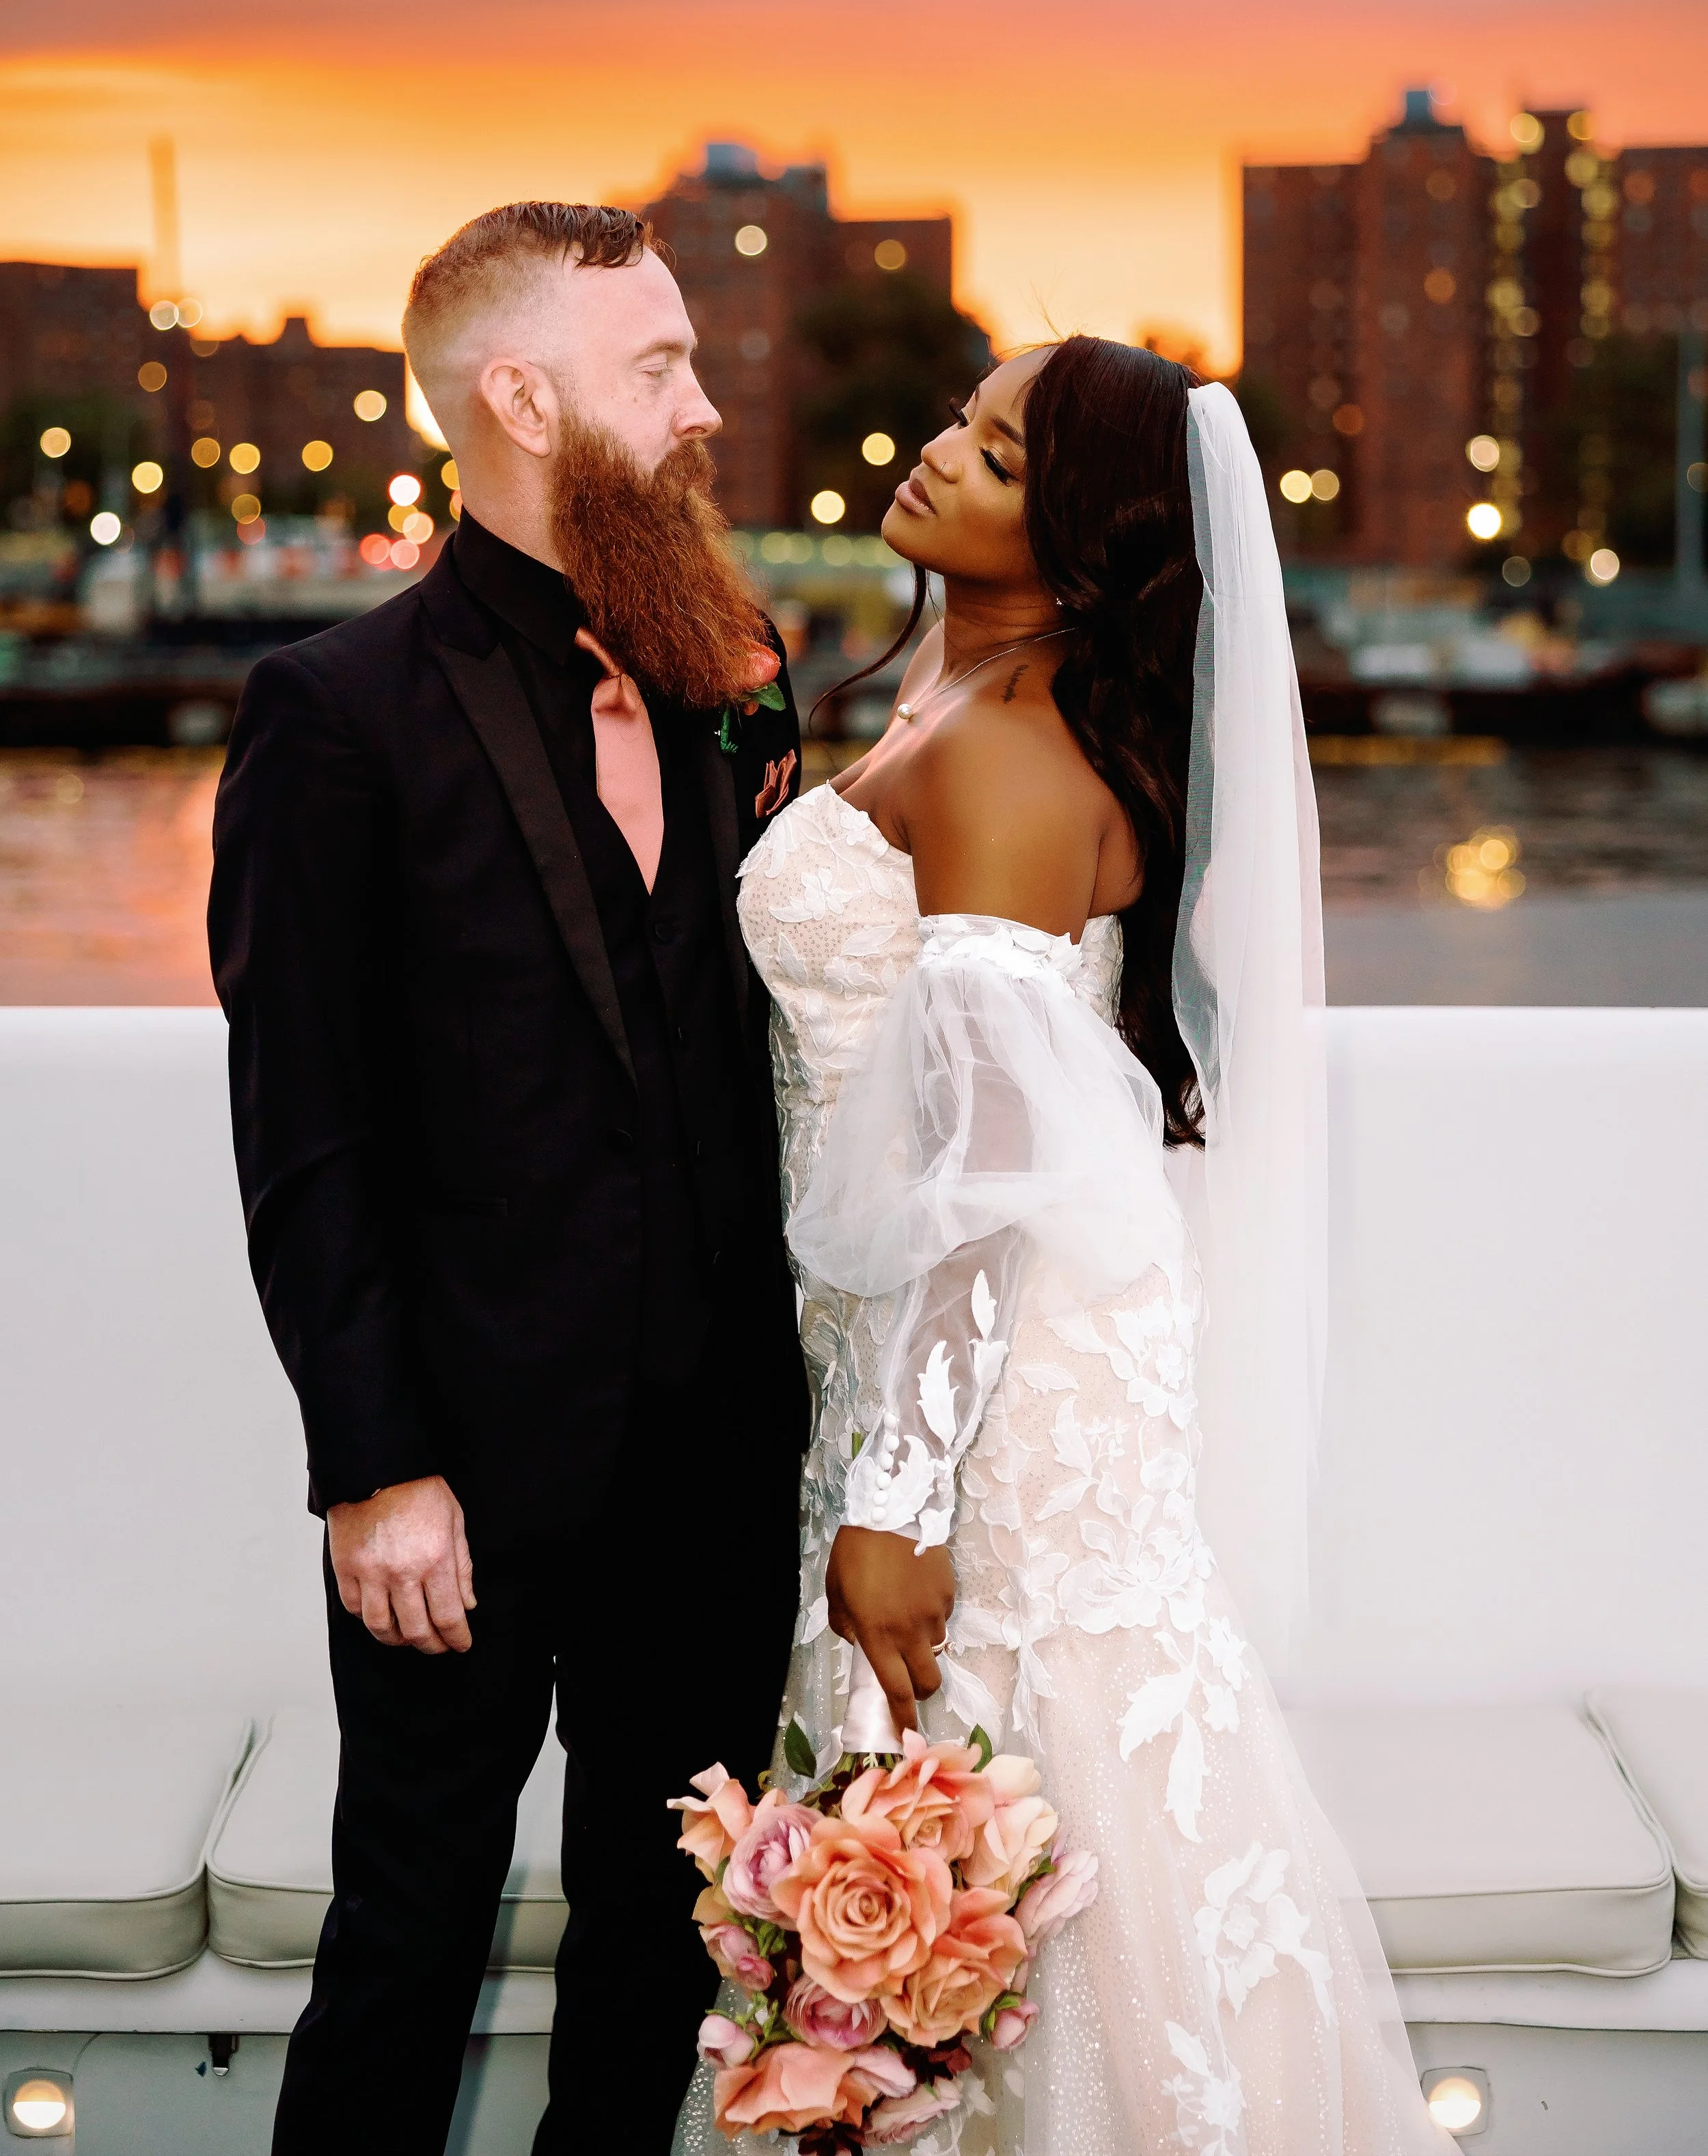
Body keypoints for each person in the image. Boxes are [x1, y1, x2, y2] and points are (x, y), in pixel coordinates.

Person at [683, 340, 1448, 2151]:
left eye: (999, 448)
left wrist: (893, 1492)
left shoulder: (1015, 749)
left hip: (986, 1396)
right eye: (957, 413)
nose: (942, 450)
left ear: (1082, 532)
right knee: (981, 1837)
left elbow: (986, 1162)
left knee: (1033, 1798)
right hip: (918, 1359)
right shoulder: (964, 695)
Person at [209, 202, 809, 2155]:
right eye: (660, 368)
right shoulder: (335, 712)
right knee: (409, 1940)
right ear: (521, 395)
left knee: (655, 1947)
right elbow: (305, 1131)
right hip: (458, 1472)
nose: (705, 405)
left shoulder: (735, 671)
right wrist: (373, 1467)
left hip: (716, 1456)